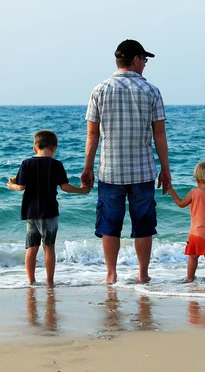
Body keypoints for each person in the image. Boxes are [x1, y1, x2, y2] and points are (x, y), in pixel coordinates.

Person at [81, 39, 171, 284]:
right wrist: (165, 169)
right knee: (143, 224)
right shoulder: (151, 91)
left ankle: (111, 275)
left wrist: (87, 167)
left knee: (110, 224)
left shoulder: (99, 90)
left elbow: (92, 135)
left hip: (110, 171)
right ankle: (142, 274)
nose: (145, 64)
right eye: (144, 59)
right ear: (134, 60)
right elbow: (159, 134)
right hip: (143, 170)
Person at [8, 130, 90, 287]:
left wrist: (11, 185)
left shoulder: (26, 163)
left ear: (35, 148)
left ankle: (31, 281)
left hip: (31, 212)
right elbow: (65, 187)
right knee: (49, 247)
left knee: (31, 248)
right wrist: (82, 190)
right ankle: (50, 281)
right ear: (54, 148)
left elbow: (20, 187)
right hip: (50, 211)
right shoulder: (56, 164)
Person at [167, 159, 205, 282]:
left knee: (193, 256)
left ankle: (189, 278)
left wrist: (172, 192)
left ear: (197, 179)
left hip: (197, 233)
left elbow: (181, 204)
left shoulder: (194, 193)